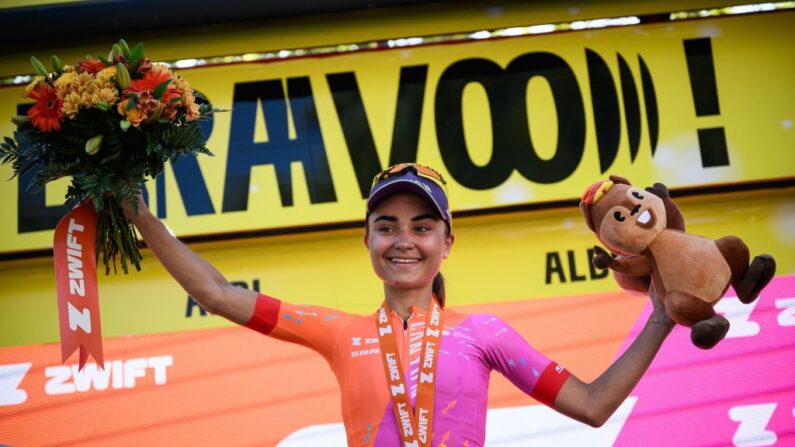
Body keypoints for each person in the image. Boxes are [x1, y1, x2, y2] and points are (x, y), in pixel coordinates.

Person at [123, 163, 675, 446]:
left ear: (447, 243)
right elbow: (217, 295)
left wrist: (660, 316)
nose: (403, 240)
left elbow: (593, 405)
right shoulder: (338, 332)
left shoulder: (484, 333)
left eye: (422, 226)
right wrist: (140, 216)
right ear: (367, 242)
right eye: (386, 227)